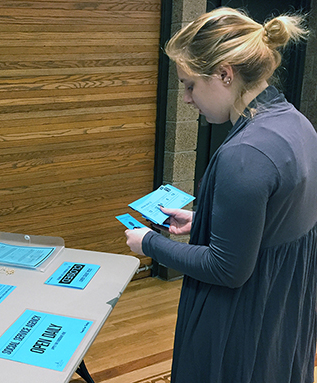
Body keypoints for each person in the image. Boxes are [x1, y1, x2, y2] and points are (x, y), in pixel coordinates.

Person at [125, 7, 317, 383]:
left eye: (190, 84)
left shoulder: (245, 153)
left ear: (225, 75)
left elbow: (227, 268)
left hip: (242, 316)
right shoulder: (297, 122)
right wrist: (207, 221)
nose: (185, 98)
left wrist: (149, 243)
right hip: (284, 307)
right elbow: (280, 217)